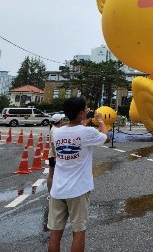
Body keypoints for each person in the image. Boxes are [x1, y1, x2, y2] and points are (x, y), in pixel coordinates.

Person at [47, 97, 109, 252]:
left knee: (55, 233)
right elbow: (105, 137)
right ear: (82, 113)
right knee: (78, 232)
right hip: (78, 190)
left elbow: (74, 134)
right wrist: (101, 121)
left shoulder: (57, 133)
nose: (87, 111)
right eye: (86, 109)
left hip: (57, 190)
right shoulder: (87, 132)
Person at [47, 113, 65, 193]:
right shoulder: (55, 130)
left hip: (54, 154)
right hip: (54, 155)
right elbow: (53, 144)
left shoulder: (55, 128)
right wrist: (55, 156)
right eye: (62, 119)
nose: (63, 120)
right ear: (60, 120)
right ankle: (50, 193)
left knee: (53, 174)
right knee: (52, 174)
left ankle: (53, 192)